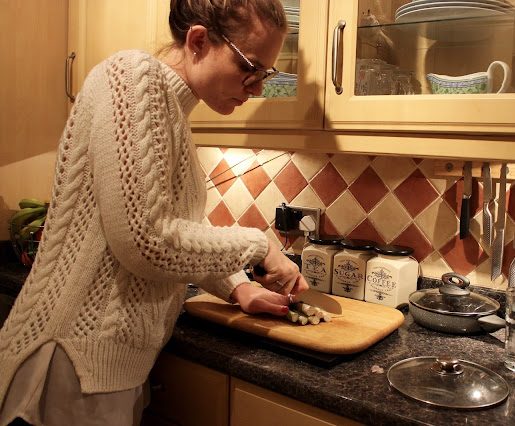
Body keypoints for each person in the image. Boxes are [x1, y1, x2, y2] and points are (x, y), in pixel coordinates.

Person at [0, 0, 307, 424]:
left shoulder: (173, 111)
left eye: (265, 75)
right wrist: (259, 248)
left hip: (104, 364)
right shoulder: (132, 75)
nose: (256, 88)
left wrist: (238, 288)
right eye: (249, 67)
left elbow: (176, 227)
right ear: (198, 40)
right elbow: (146, 240)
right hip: (70, 362)